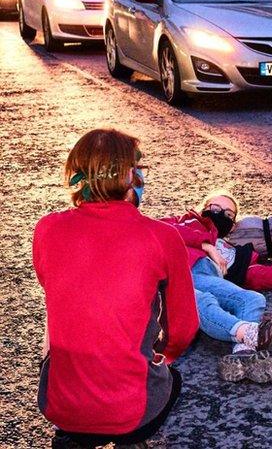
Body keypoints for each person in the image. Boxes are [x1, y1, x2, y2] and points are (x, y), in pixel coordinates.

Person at [33, 129, 198, 448]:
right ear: (132, 178)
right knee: (169, 379)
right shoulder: (162, 237)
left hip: (59, 405)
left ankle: (75, 434)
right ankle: (129, 439)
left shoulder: (47, 229)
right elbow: (183, 329)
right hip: (130, 411)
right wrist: (162, 356)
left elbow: (53, 287)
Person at [167, 189, 272, 384]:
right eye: (215, 207)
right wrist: (205, 245)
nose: (221, 214)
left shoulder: (230, 250)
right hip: (175, 271)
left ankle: (243, 356)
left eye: (229, 214)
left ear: (232, 227)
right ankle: (258, 335)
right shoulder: (183, 221)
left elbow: (255, 274)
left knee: (254, 298)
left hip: (206, 276)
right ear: (203, 208)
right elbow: (156, 230)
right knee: (201, 299)